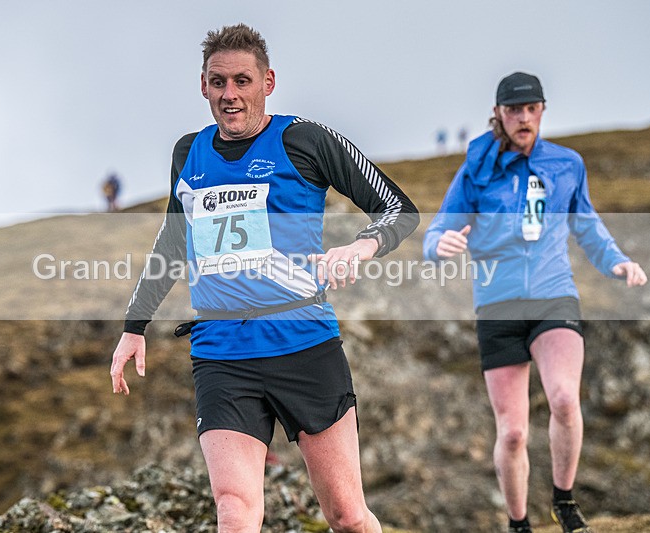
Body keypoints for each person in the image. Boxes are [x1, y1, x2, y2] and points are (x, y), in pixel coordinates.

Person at [110, 23, 419, 532]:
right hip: (222, 353)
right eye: (218, 82)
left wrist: (362, 245)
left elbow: (399, 209)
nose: (229, 94)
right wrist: (133, 326)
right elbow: (173, 242)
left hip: (303, 345)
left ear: (267, 82)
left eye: (242, 81)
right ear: (203, 86)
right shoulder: (189, 153)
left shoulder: (304, 139)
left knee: (346, 516)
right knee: (234, 509)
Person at [423, 72, 647, 533]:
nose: (523, 118)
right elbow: (439, 227)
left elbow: (587, 224)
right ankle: (519, 523)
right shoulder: (477, 170)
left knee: (564, 398)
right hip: (497, 306)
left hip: (553, 295)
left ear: (542, 110)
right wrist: (438, 245)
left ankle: (564, 501)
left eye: (531, 109)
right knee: (513, 433)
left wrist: (618, 262)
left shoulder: (567, 165)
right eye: (513, 110)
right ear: (498, 115)